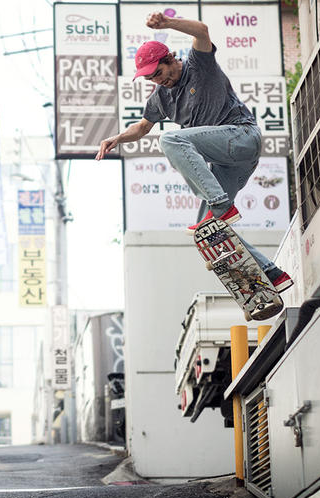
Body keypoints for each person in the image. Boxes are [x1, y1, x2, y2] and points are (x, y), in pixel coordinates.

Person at [95, 12, 292, 292]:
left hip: (242, 136)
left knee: (171, 140)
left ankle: (221, 205)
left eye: (159, 73)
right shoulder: (160, 98)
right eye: (150, 78)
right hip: (229, 163)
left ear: (169, 59)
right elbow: (142, 127)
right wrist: (117, 138)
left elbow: (202, 31)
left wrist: (168, 23)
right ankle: (271, 275)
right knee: (207, 232)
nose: (157, 81)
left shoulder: (198, 65)